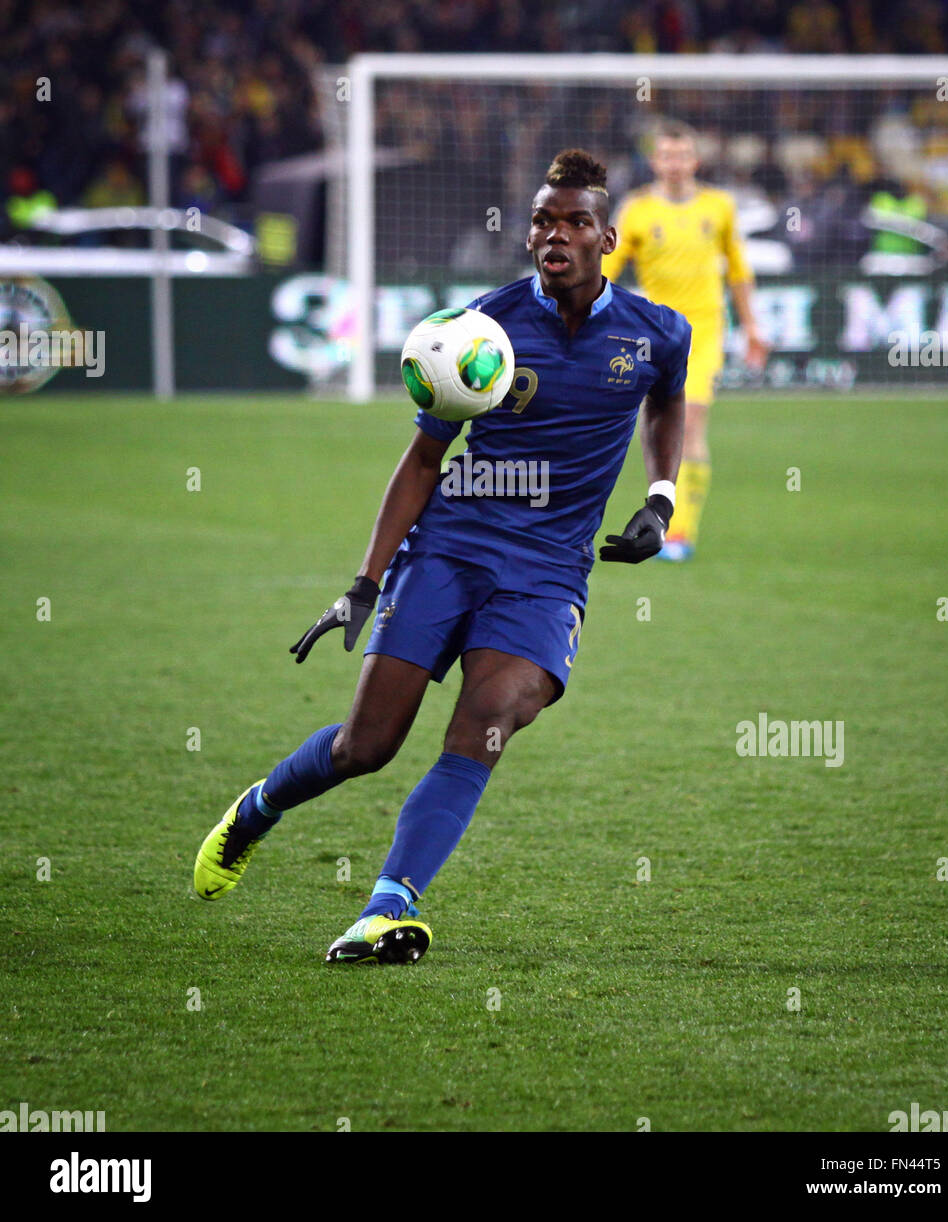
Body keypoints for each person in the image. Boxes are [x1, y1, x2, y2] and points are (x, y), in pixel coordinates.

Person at [193, 149, 690, 965]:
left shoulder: (654, 334)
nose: (552, 235)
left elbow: (667, 402)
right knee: (367, 746)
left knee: (488, 720)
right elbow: (424, 459)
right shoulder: (479, 331)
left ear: (607, 238)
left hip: (546, 573)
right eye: (540, 221)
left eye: (572, 222)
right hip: (450, 551)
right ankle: (256, 808)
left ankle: (387, 906)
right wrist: (364, 581)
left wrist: (660, 499)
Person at [601, 121, 767, 560]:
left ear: (695, 160)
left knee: (690, 422)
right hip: (653, 333)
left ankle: (679, 533)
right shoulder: (636, 210)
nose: (674, 163)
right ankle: (662, 514)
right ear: (655, 161)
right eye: (666, 155)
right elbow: (608, 271)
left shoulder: (720, 206)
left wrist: (753, 328)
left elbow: (738, 271)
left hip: (706, 330)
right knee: (655, 426)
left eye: (682, 155)